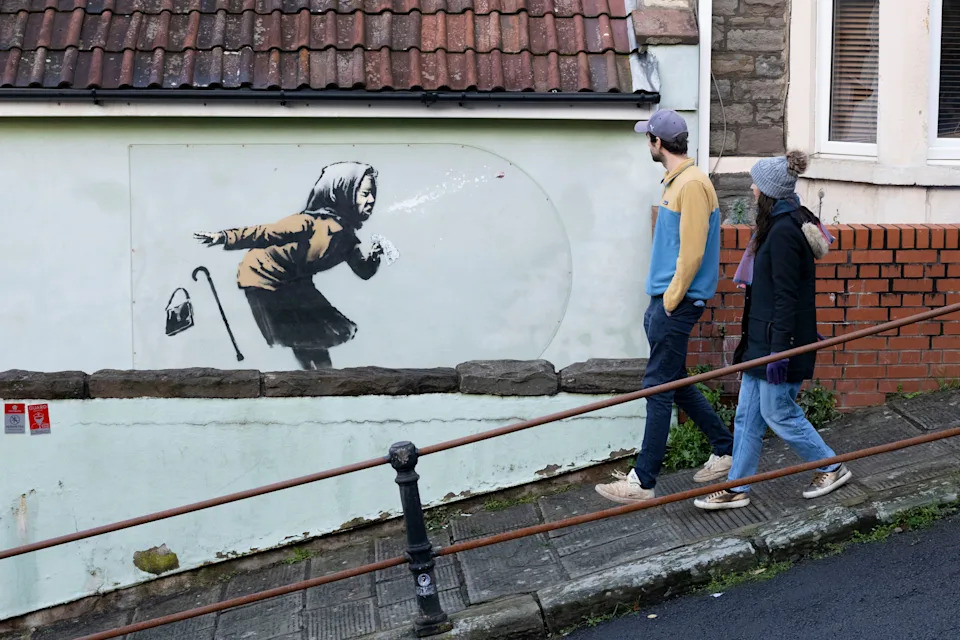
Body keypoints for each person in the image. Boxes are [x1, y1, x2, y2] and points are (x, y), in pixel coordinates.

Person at [694, 151, 851, 511]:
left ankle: (831, 465)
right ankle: (738, 488)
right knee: (747, 416)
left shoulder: (782, 232)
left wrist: (779, 354)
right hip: (762, 341)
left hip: (778, 344)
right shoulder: (780, 224)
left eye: (756, 184)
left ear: (769, 192)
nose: (751, 188)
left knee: (778, 412)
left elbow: (786, 298)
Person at [595, 110, 734, 505]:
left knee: (657, 387)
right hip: (667, 301)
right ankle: (724, 447)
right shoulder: (679, 182)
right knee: (677, 382)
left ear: (657, 142)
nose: (647, 144)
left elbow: (691, 254)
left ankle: (643, 480)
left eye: (648, 138)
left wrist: (670, 300)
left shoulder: (690, 185)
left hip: (676, 302)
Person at [194, 161, 383, 370]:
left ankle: (325, 380)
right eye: (365, 193)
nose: (371, 200)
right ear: (342, 192)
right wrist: (223, 237)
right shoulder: (308, 223)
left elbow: (363, 271)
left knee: (317, 333)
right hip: (264, 278)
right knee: (300, 336)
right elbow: (264, 233)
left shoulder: (347, 238)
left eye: (373, 194)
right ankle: (313, 381)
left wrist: (375, 256)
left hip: (296, 282)